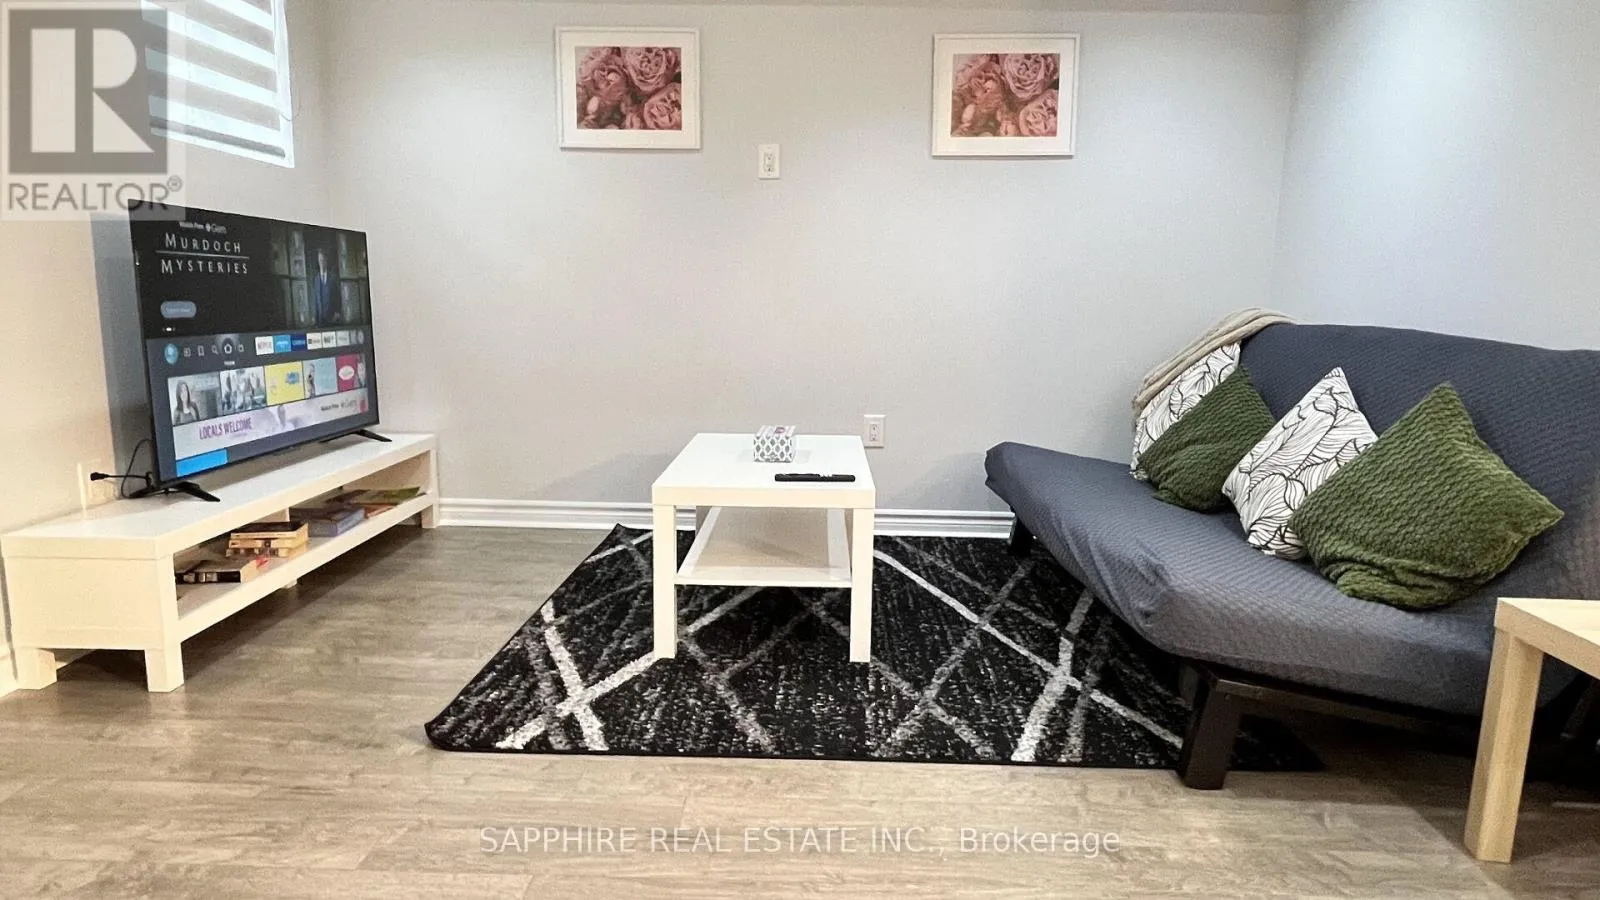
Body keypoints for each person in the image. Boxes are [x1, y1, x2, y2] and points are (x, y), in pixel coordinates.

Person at [313, 249, 336, 324]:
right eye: (320, 261)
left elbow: (337, 297)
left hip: (332, 318)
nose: (321, 263)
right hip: (320, 320)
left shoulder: (333, 278)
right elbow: (316, 300)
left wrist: (337, 313)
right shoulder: (316, 279)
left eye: (323, 260)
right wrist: (315, 318)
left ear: (326, 261)